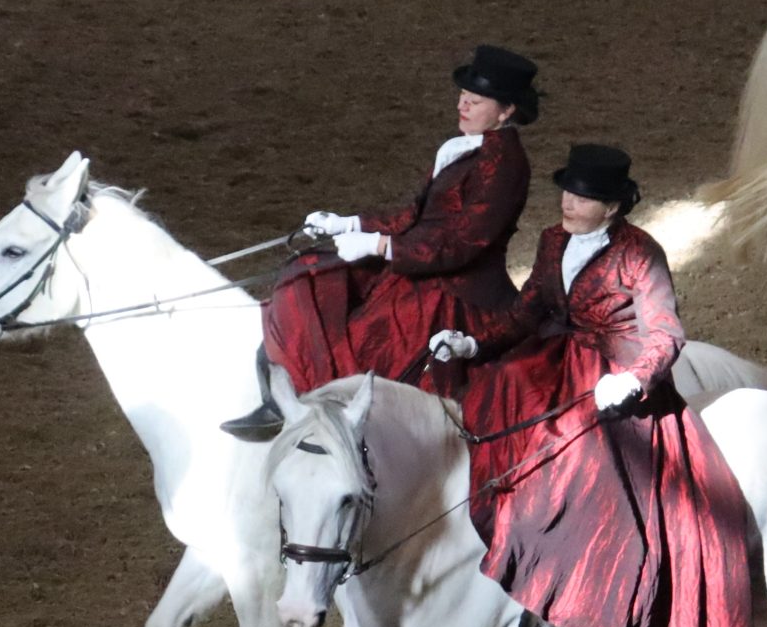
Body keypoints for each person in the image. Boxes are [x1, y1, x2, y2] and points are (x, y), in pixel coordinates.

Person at [426, 145, 754, 627]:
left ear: (612, 208)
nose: (570, 203)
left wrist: (632, 381)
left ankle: (572, 596)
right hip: (556, 359)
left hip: (615, 375)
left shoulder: (639, 252)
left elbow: (666, 333)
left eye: (585, 197)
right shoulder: (553, 240)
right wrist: (473, 344)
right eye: (568, 192)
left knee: (586, 472)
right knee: (498, 392)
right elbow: (528, 308)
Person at [219, 45, 538, 442]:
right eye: (463, 96)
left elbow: (462, 243)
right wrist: (349, 223)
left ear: (506, 111)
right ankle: (290, 400)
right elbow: (417, 216)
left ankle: (323, 418)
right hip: (418, 268)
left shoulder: (503, 164)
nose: (463, 104)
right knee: (311, 275)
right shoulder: (466, 145)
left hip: (454, 292)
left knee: (365, 343)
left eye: (475, 100)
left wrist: (381, 247)